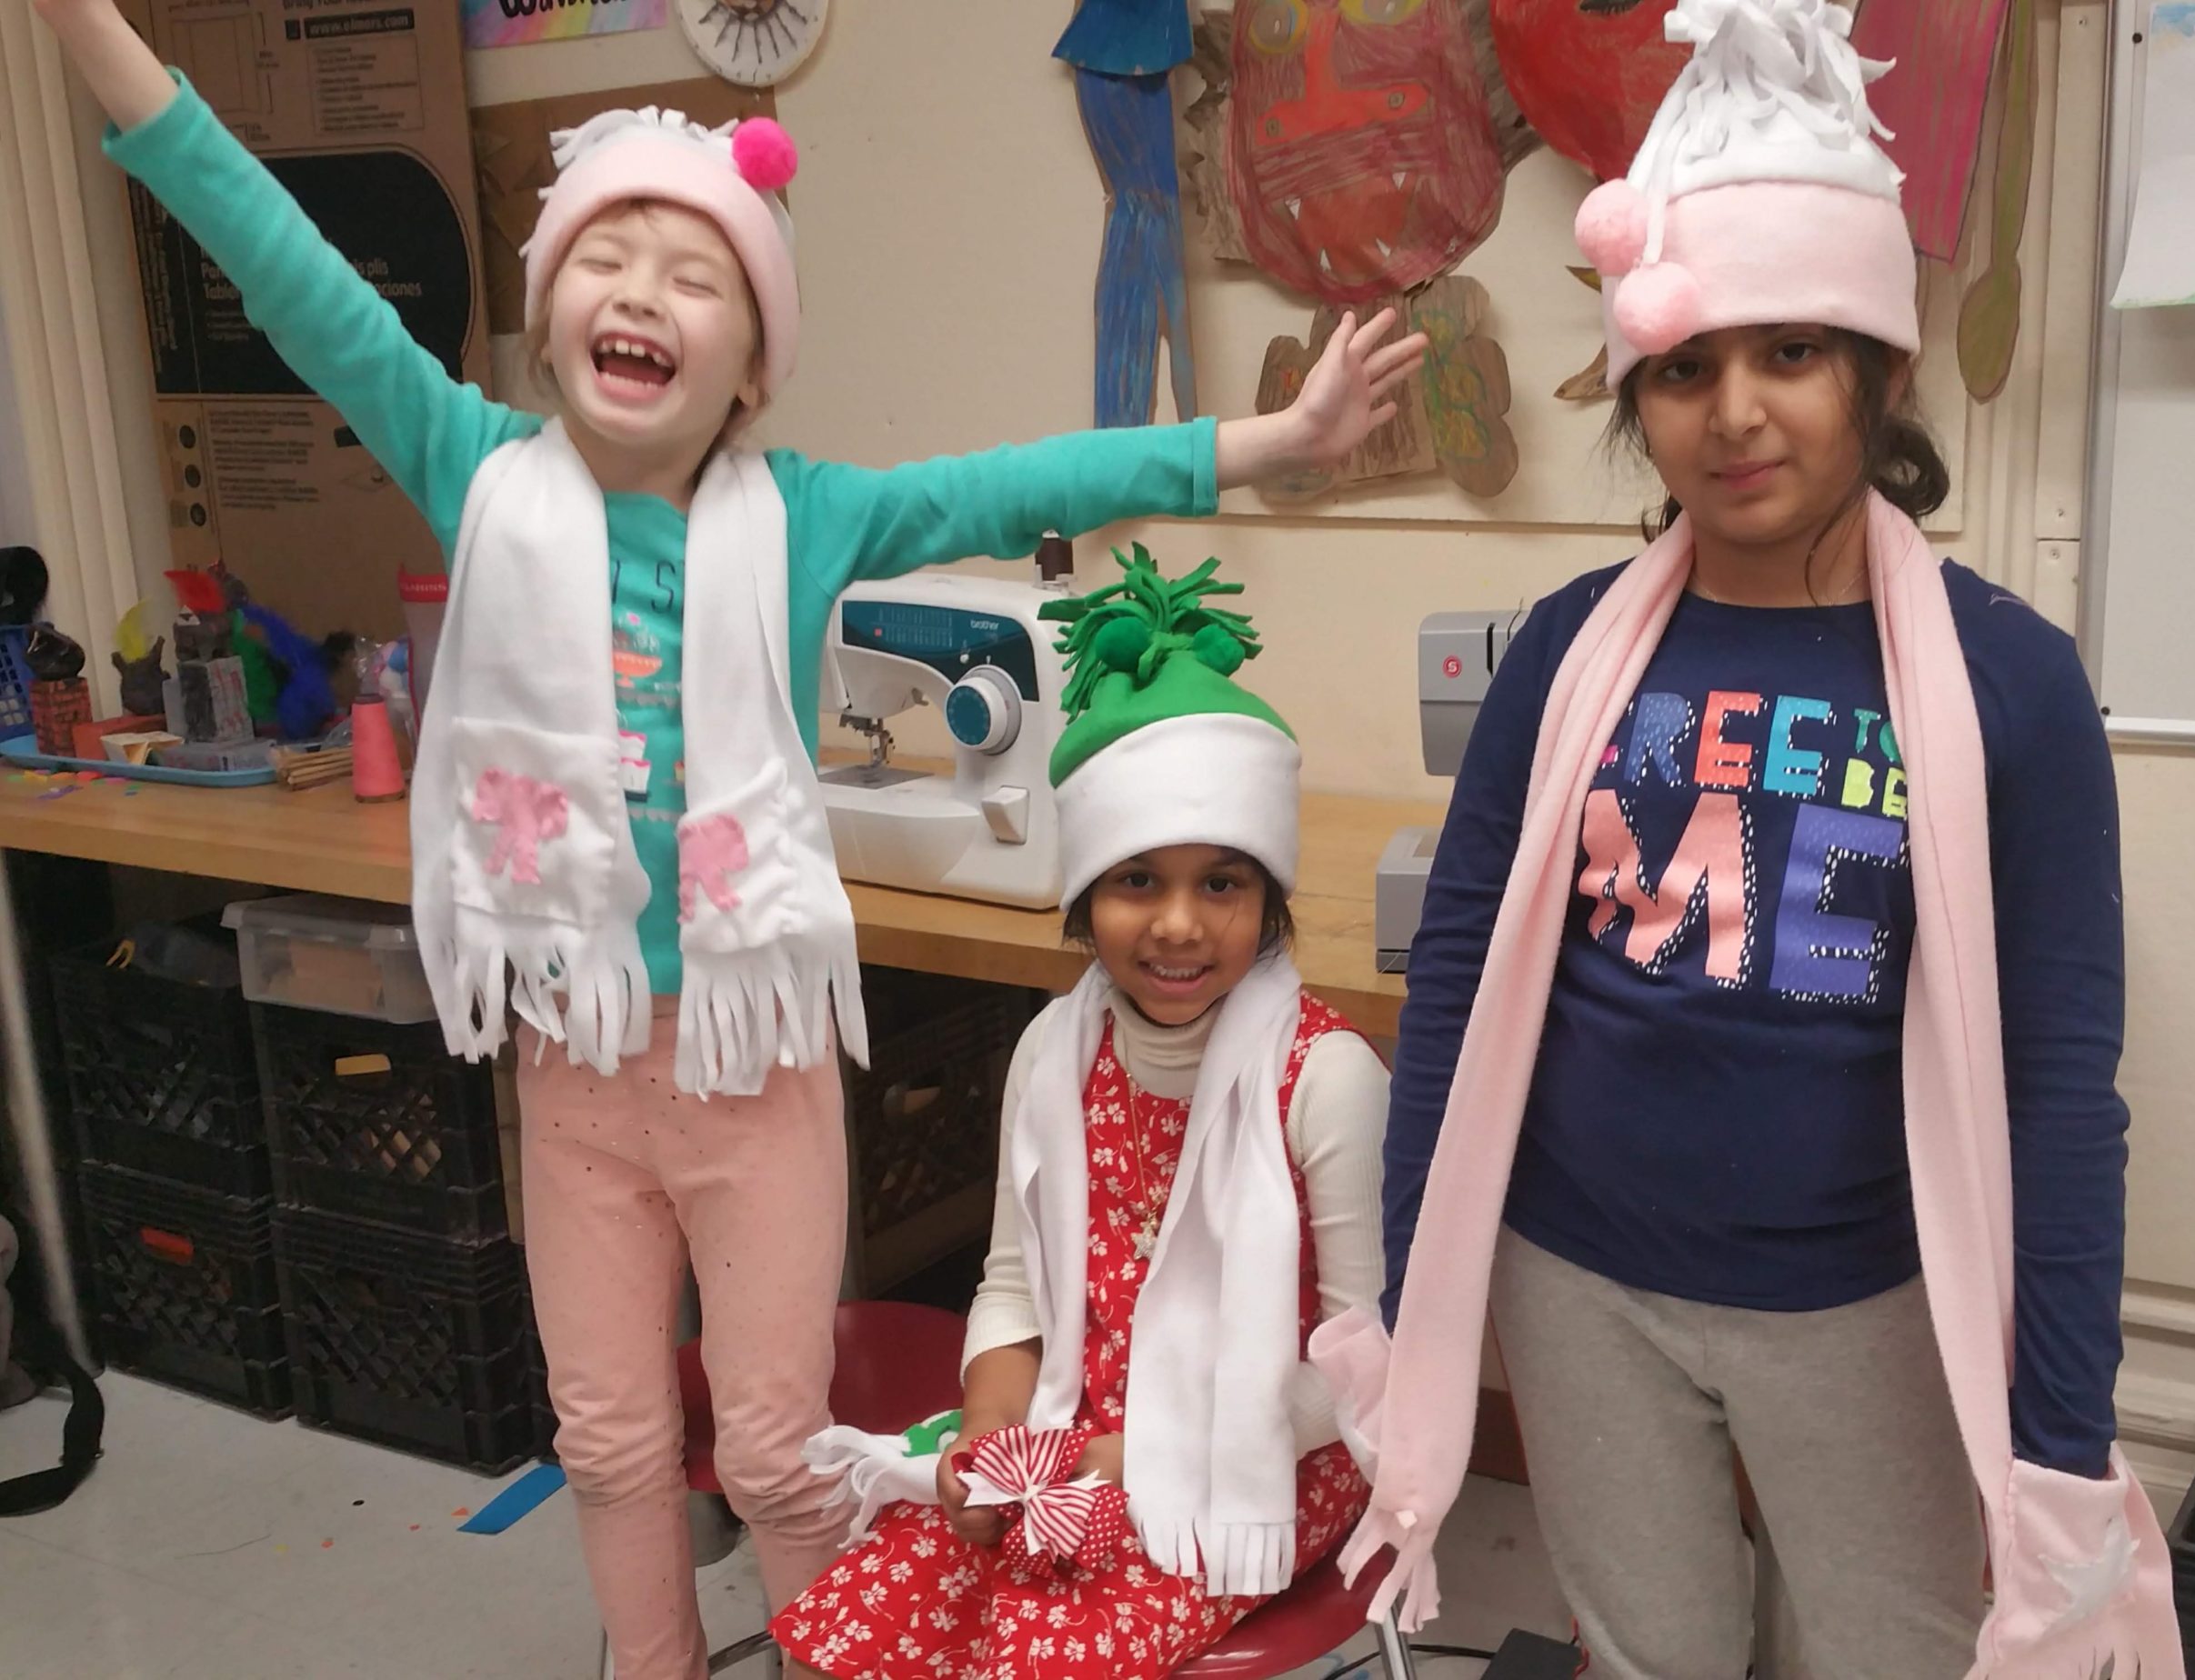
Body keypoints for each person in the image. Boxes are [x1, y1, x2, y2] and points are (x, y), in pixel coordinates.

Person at [30, 6, 1426, 1676]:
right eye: (604, 257)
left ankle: (831, 1657)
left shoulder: (806, 516)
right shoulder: (478, 472)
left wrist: (1273, 445)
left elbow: (1023, 481)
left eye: (695, 274)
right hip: (575, 1057)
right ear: (548, 317)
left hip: (753, 1069)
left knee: (773, 1449)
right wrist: (88, 28)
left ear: (753, 362)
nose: (641, 292)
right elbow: (286, 268)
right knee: (610, 1437)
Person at [1319, 3, 2187, 1677]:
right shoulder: (1566, 652)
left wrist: (2062, 1439)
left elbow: (2062, 1090)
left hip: (1869, 1304)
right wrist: (1417, 1287)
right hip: (1580, 1282)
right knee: (1650, 1652)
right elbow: (1460, 990)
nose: (1734, 412)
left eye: (1789, 352)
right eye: (1685, 368)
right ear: (1637, 391)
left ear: (1880, 368)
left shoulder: (2008, 683)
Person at [775, 548, 1388, 1679]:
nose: (1178, 925)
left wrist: (1143, 1456)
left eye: (1221, 882)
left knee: (1030, 1652)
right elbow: (1013, 1285)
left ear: (1269, 897)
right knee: (842, 1634)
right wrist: (990, 1441)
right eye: (1136, 879)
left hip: (1262, 1456)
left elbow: (1364, 1362)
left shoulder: (1325, 1077)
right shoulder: (1056, 1051)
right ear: (1083, 896)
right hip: (1076, 1423)